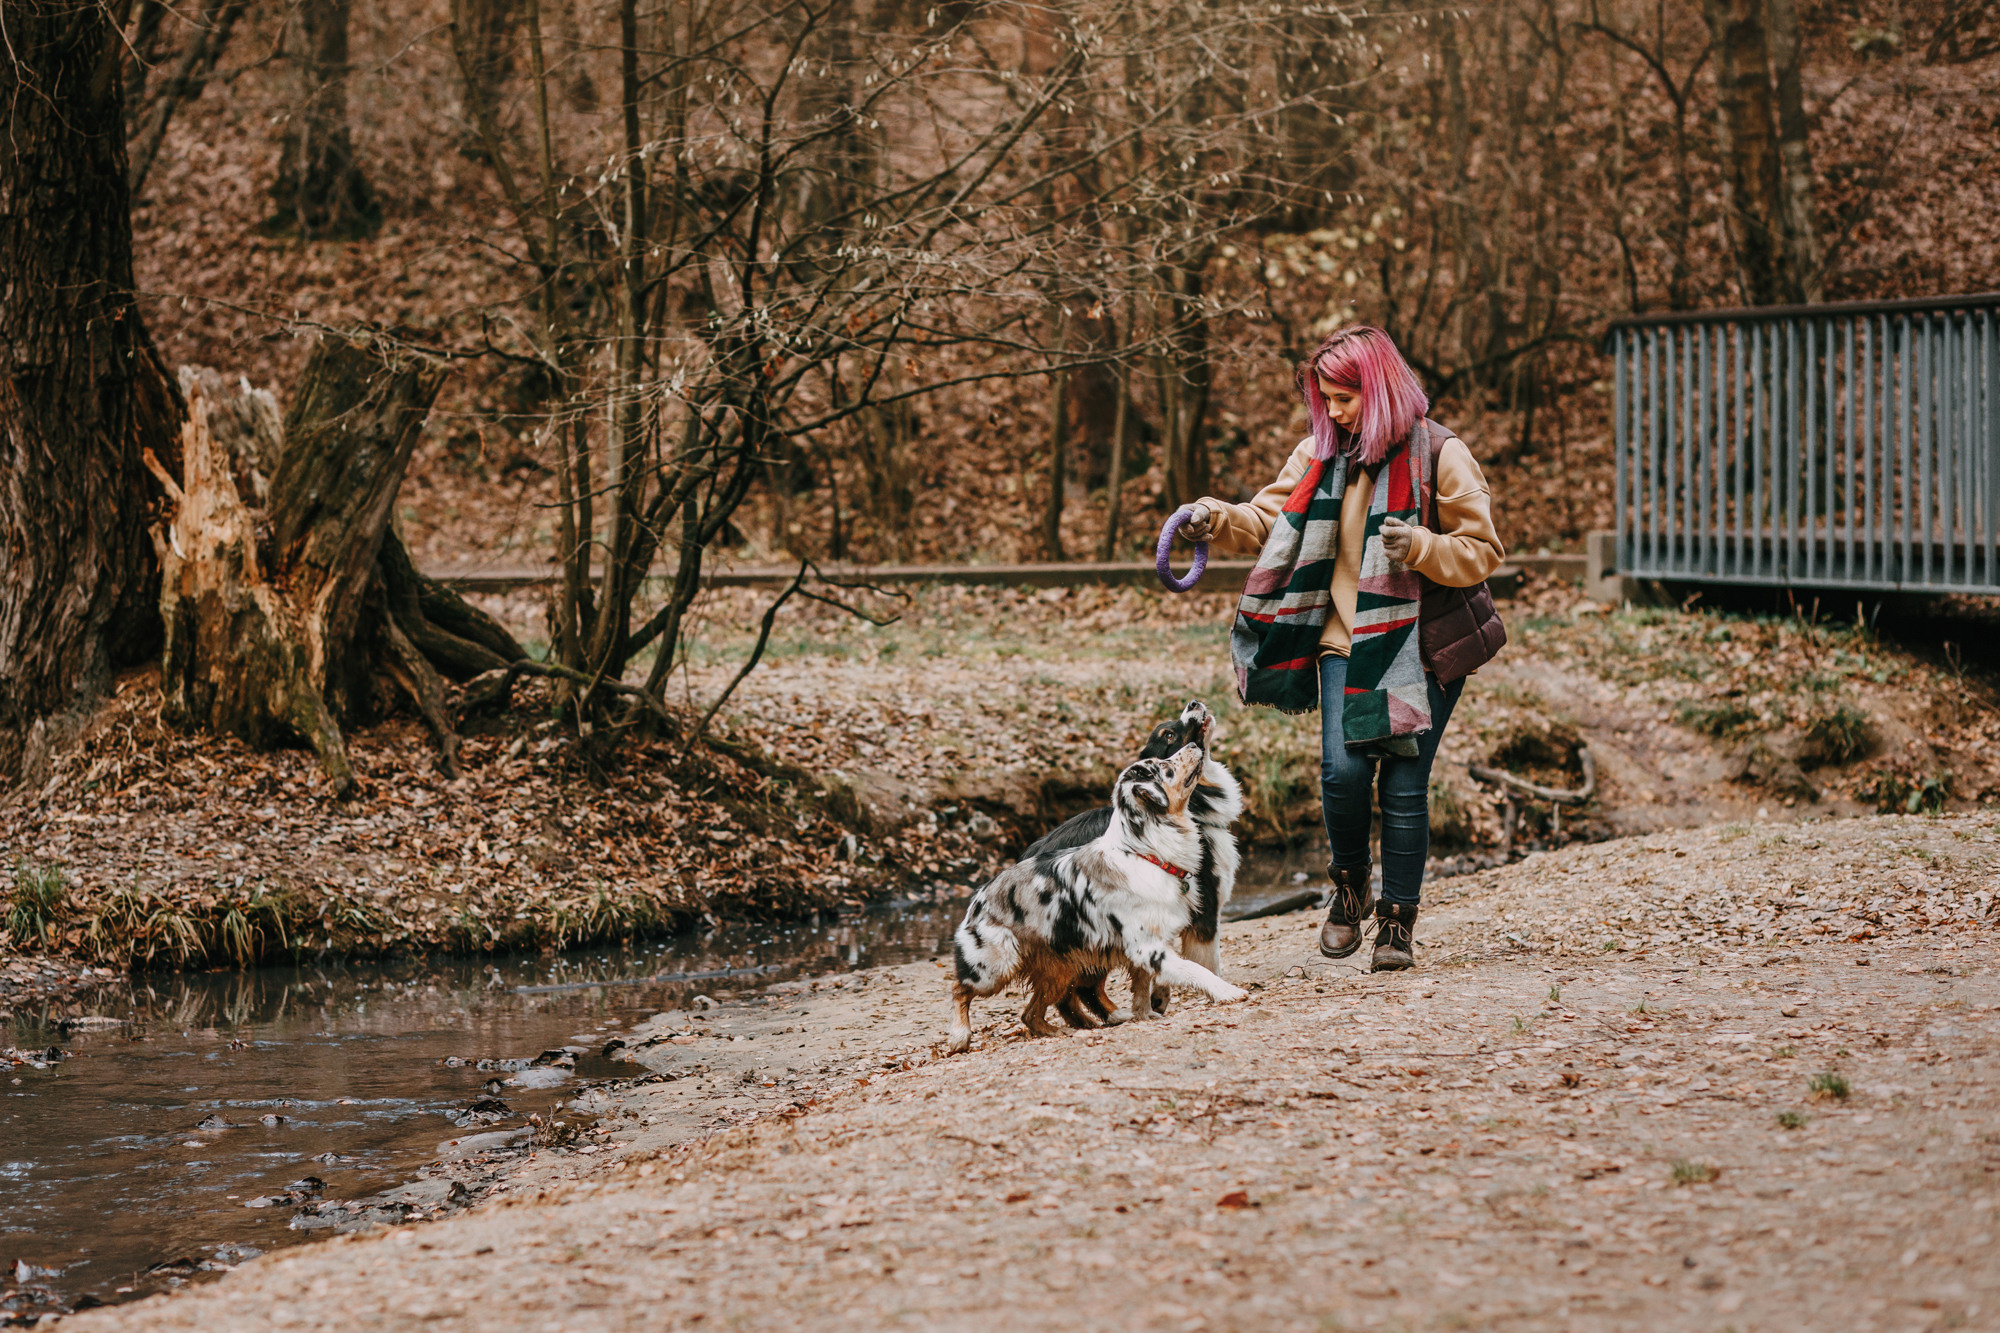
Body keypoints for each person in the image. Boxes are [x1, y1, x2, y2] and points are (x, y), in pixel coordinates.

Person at [1179, 325, 1505, 971]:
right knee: (1343, 771)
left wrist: (1422, 548)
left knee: (1406, 784)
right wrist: (1214, 515)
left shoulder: (1442, 453)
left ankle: (1397, 923)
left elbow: (1483, 550)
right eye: (1325, 398)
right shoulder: (1319, 455)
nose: (1332, 412)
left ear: (1379, 390)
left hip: (1425, 643)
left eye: (1345, 398)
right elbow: (1269, 518)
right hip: (1342, 639)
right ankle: (1351, 883)